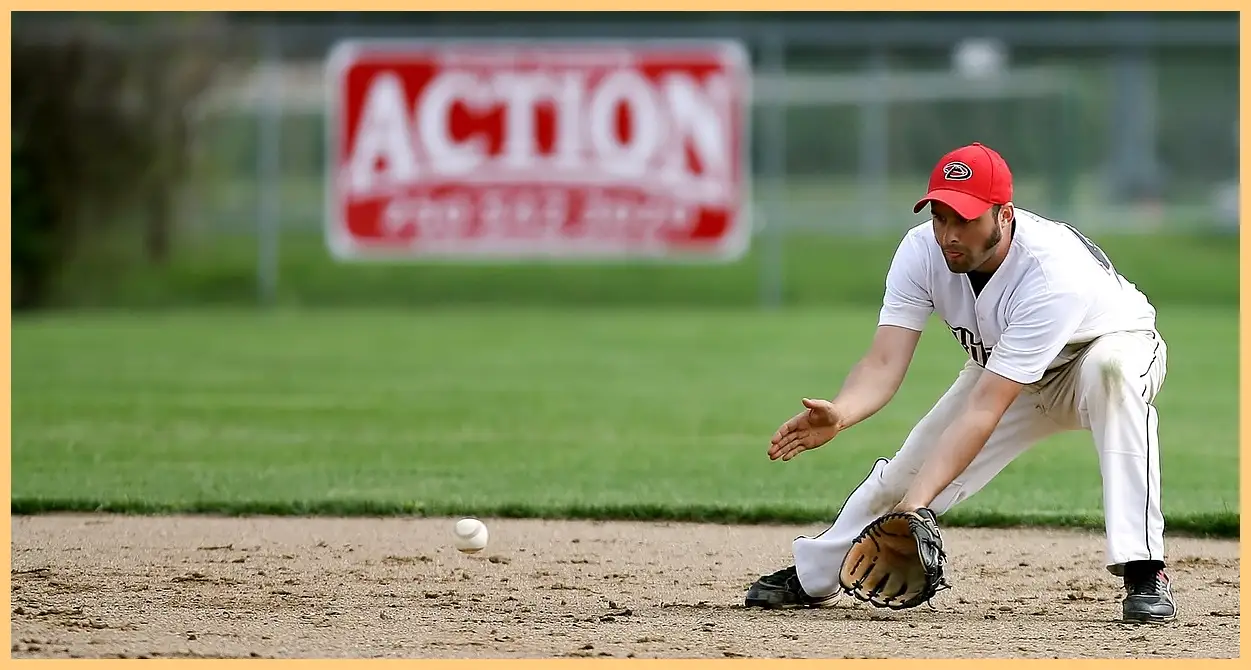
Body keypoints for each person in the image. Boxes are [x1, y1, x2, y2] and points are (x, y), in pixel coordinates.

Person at [743, 142, 1176, 624]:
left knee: (1111, 375)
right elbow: (885, 361)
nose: (949, 234)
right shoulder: (920, 252)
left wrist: (916, 509)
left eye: (965, 219)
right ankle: (817, 573)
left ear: (1004, 215)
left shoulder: (1052, 273)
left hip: (1101, 349)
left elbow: (983, 410)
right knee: (907, 472)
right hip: (1004, 370)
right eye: (941, 216)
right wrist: (842, 412)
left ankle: (1144, 567)